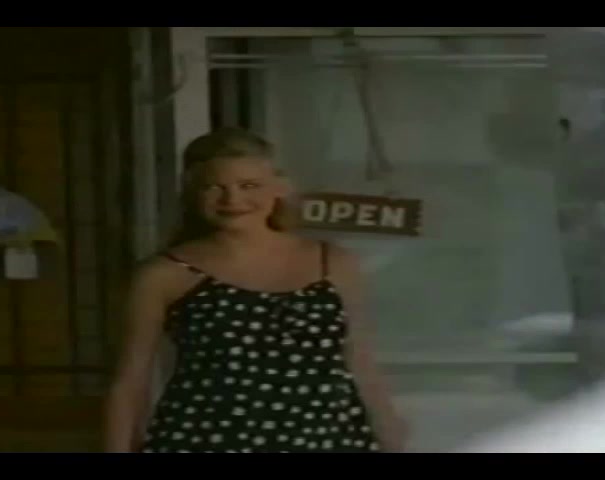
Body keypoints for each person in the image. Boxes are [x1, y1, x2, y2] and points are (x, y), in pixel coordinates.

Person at [104, 127, 407, 453]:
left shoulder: (334, 262)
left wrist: (390, 434)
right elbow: (130, 382)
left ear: (279, 188)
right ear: (193, 194)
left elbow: (360, 360)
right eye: (214, 187)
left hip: (328, 439)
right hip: (203, 442)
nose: (232, 200)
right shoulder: (164, 274)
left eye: (249, 185)